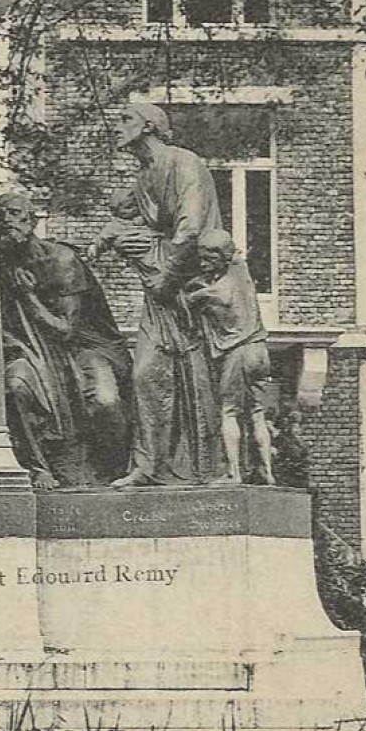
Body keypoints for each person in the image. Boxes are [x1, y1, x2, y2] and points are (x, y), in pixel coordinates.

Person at [108, 100, 225, 487]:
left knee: (195, 376)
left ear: (150, 126)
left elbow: (189, 230)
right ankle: (147, 466)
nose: (118, 126)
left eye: (126, 119)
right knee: (145, 375)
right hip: (159, 293)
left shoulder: (184, 162)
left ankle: (205, 468)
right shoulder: (143, 178)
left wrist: (166, 279)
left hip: (190, 289)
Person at [0, 191, 132, 490]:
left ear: (32, 220)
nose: (7, 220)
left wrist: (29, 298)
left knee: (105, 402)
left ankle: (110, 472)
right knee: (16, 386)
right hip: (31, 350)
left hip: (85, 347)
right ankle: (38, 467)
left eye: (16, 213)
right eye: (0, 216)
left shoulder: (61, 259)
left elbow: (67, 330)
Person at [184, 230, 275, 486]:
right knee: (257, 412)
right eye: (201, 259)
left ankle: (233, 473)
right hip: (261, 349)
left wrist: (192, 290)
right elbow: (234, 258)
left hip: (240, 352)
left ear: (221, 258)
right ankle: (268, 471)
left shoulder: (216, 291)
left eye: (208, 259)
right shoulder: (241, 273)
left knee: (229, 411)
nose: (203, 264)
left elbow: (194, 298)